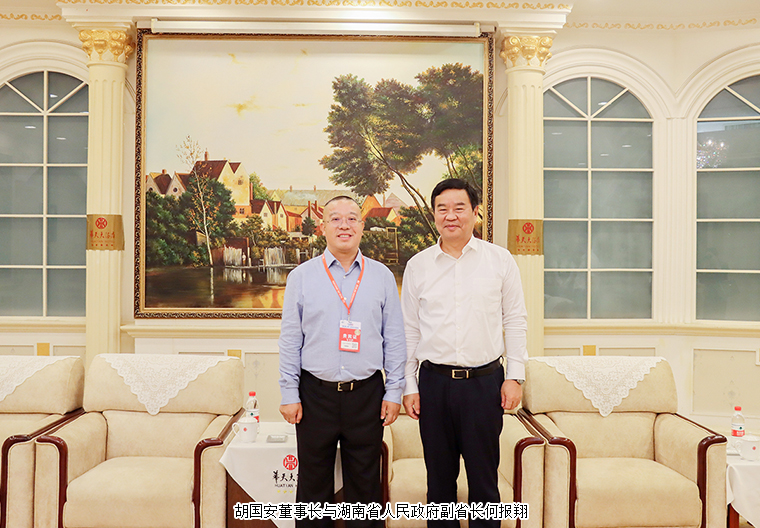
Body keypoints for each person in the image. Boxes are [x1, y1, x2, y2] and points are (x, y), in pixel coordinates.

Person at [401, 178, 528, 528]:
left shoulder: (500, 261)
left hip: (484, 384)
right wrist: (409, 385)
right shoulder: (418, 266)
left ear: (475, 212)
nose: (450, 216)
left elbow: (515, 320)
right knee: (439, 482)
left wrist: (515, 376)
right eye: (442, 209)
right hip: (434, 384)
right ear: (434, 214)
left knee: (484, 481)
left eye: (459, 208)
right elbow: (409, 329)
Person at [279, 195, 406, 528]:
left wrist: (394, 391)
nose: (344, 225)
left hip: (366, 395)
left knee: (365, 486)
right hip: (314, 395)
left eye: (352, 218)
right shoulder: (301, 276)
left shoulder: (381, 276)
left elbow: (394, 338)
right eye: (335, 218)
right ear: (322, 227)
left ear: (362, 226)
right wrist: (289, 392)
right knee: (313, 486)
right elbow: (291, 339)